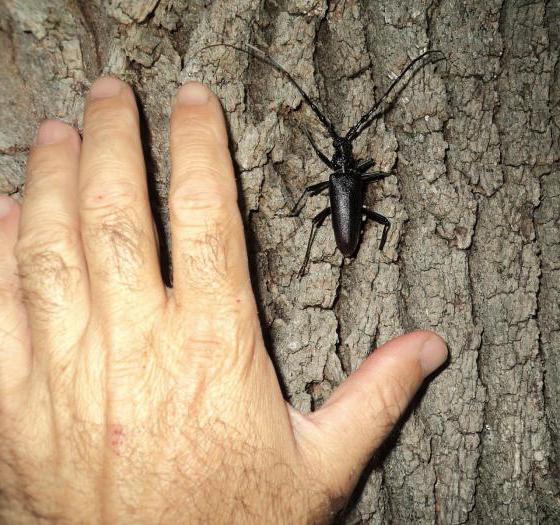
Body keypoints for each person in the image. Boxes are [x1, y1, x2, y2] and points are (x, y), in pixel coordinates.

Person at [0, 77, 448, 523]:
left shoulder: (337, 179)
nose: (339, 155)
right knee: (337, 219)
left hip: (344, 220)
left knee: (328, 219)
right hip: (346, 218)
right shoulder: (348, 178)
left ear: (336, 160)